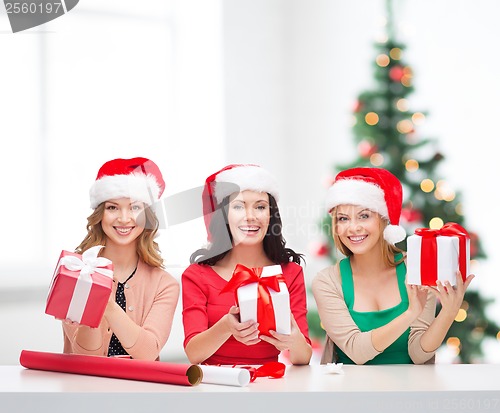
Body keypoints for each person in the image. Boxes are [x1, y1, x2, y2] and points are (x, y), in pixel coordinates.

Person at [311, 167, 474, 365]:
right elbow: (356, 351)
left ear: (384, 218)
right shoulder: (327, 281)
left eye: (364, 216)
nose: (353, 227)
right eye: (343, 218)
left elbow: (418, 354)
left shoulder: (417, 267)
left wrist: (449, 312)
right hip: (350, 392)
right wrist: (410, 314)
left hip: (409, 391)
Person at [182, 164, 312, 366]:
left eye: (260, 206)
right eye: (238, 206)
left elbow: (303, 358)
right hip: (214, 386)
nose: (251, 216)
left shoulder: (291, 273)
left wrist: (294, 341)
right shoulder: (197, 275)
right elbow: (194, 354)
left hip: (270, 384)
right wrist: (226, 326)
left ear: (271, 215)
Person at [62, 157, 180, 361]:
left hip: (140, 390)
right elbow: (86, 357)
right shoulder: (76, 271)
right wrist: (88, 316)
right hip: (85, 388)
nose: (124, 218)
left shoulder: (165, 284)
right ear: (100, 215)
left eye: (135, 208)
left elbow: (148, 354)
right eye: (112, 207)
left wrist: (107, 305)